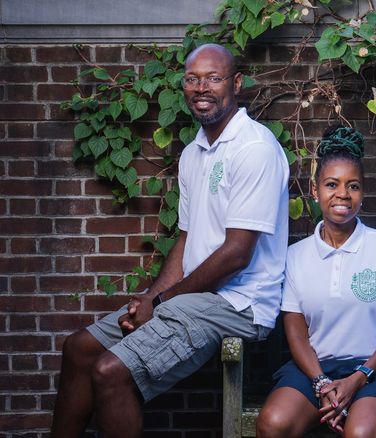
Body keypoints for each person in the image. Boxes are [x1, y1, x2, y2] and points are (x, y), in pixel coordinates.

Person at [50, 44, 289, 438]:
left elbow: (235, 255)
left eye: (213, 78)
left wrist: (161, 302)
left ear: (236, 84)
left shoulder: (255, 148)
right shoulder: (195, 152)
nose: (202, 87)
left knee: (111, 371)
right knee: (80, 350)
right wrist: (149, 299)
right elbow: (187, 239)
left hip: (239, 303)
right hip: (193, 298)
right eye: (193, 79)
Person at [256, 126, 376, 438]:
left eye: (353, 186)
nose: (342, 194)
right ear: (315, 191)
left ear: (362, 193)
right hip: (315, 370)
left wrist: (359, 377)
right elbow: (297, 333)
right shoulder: (296, 255)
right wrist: (321, 383)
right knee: (274, 423)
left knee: (361, 434)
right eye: (332, 184)